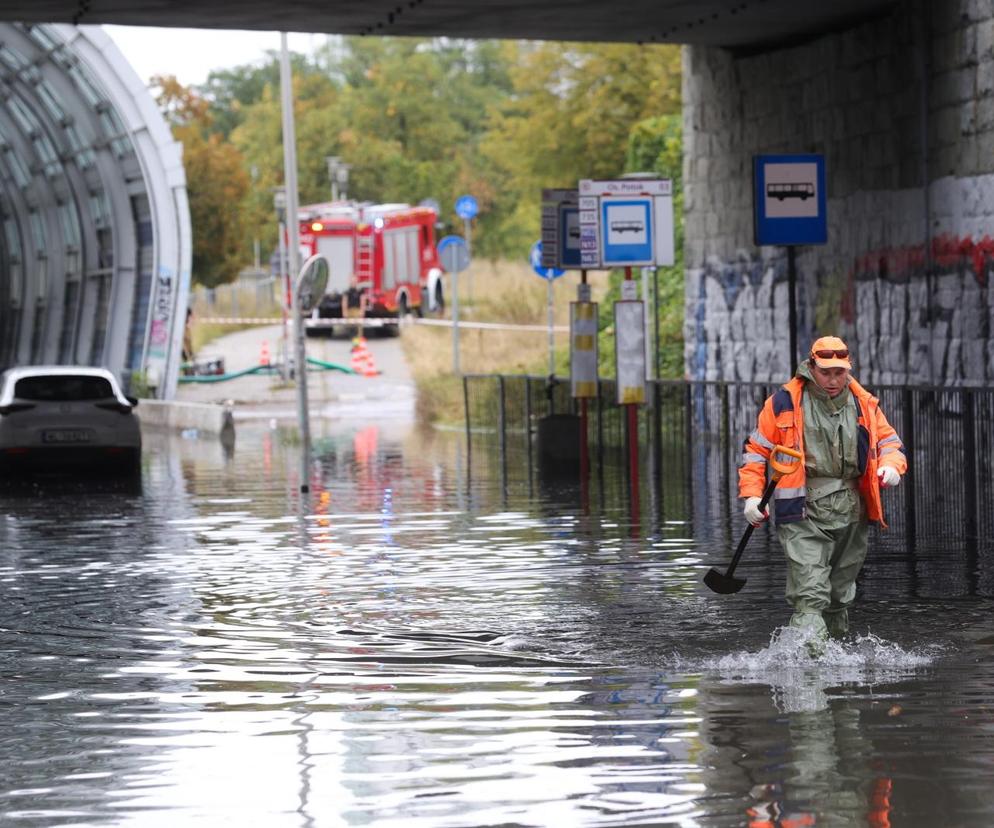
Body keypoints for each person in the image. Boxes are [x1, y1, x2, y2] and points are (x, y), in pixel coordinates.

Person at [738, 335, 907, 646]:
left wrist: (892, 466)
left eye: (839, 372)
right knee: (811, 596)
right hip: (803, 513)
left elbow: (890, 443)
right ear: (811, 367)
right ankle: (808, 673)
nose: (832, 380)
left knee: (840, 596)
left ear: (848, 368)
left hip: (852, 512)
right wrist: (751, 496)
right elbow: (756, 453)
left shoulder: (864, 403)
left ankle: (834, 671)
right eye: (825, 372)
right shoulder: (783, 403)